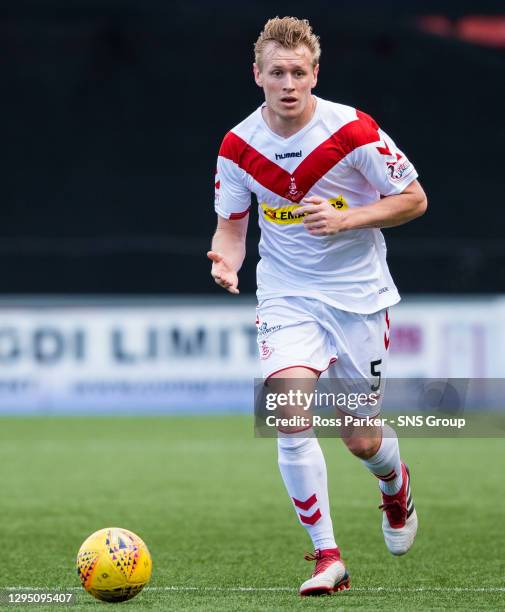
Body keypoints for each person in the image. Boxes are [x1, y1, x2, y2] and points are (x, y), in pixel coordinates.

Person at [208, 16, 427, 596]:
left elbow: (414, 200)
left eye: (297, 72)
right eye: (276, 72)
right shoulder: (238, 145)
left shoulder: (353, 132)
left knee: (360, 437)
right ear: (256, 75)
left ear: (314, 74)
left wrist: (348, 217)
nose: (287, 82)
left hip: (358, 297)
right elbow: (231, 229)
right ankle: (327, 557)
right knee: (289, 413)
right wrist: (226, 259)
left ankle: (395, 487)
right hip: (286, 294)